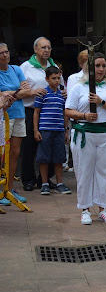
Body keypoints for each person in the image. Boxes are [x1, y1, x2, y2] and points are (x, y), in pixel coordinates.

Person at [65, 53, 106, 225]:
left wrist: (101, 101)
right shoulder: (78, 87)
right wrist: (83, 115)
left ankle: (103, 208)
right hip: (85, 132)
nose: (100, 69)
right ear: (89, 68)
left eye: (103, 66)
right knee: (84, 171)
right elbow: (68, 111)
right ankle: (85, 209)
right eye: (97, 66)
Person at [20, 37, 60, 194]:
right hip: (31, 110)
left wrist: (62, 91)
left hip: (50, 112)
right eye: (43, 47)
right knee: (30, 146)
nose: (46, 50)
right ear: (35, 49)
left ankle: (44, 179)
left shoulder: (53, 65)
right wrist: (32, 91)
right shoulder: (25, 67)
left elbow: (60, 84)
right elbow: (17, 91)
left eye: (49, 47)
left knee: (49, 146)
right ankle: (28, 180)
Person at [33, 66, 71, 196]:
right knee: (44, 158)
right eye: (53, 78)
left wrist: (66, 130)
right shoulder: (43, 93)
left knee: (58, 158)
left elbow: (65, 113)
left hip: (59, 130)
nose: (56, 81)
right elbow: (36, 112)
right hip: (45, 130)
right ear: (47, 79)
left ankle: (59, 183)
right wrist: (36, 130)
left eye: (58, 78)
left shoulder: (63, 95)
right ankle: (44, 184)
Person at [0, 43, 28, 205]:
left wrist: (8, 93)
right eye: (1, 53)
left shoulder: (16, 69)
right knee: (2, 153)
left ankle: (9, 188)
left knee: (15, 152)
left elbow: (28, 91)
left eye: (6, 51)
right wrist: (18, 90)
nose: (5, 55)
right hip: (3, 117)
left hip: (18, 114)